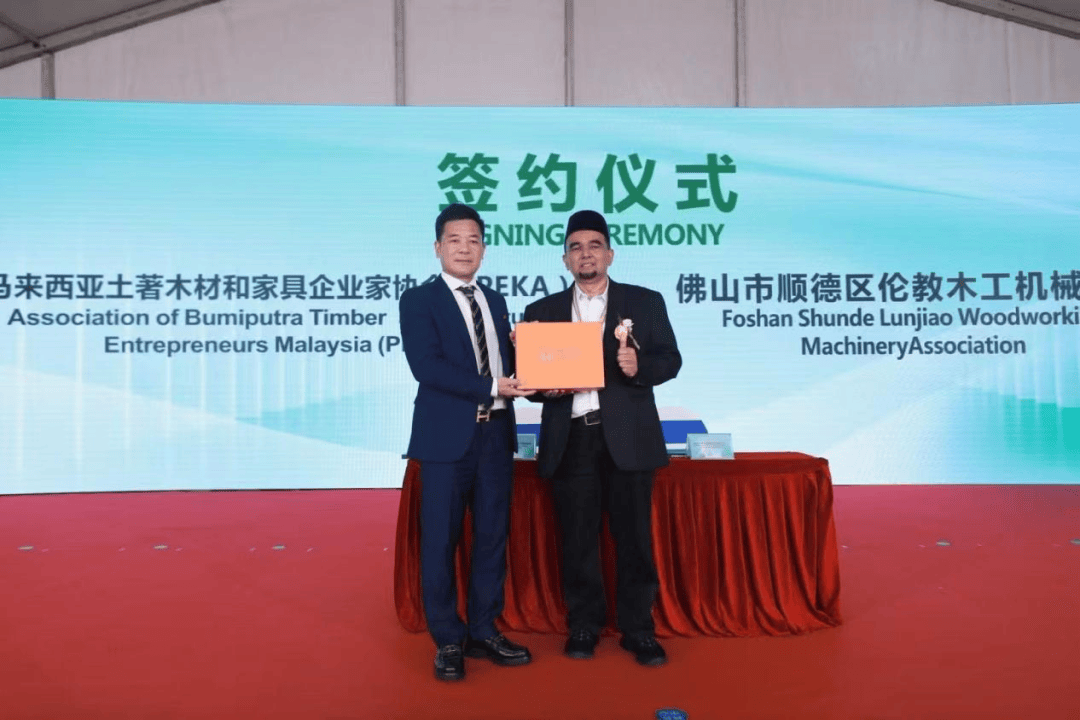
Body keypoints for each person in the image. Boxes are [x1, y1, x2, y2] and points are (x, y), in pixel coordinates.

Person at [522, 209, 681, 667]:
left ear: (610, 254)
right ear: (565, 260)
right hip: (571, 438)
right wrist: (543, 388)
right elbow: (529, 380)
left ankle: (639, 629)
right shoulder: (541, 312)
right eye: (575, 247)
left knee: (634, 538)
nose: (585, 254)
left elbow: (670, 359)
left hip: (628, 437)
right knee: (577, 539)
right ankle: (584, 624)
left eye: (594, 245)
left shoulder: (645, 302)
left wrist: (640, 367)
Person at [399, 203, 533, 682]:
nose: (464, 248)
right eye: (454, 240)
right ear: (438, 247)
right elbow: (427, 367)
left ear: (484, 249)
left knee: (492, 538)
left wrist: (535, 361)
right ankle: (448, 640)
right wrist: (494, 385)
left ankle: (483, 629)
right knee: (440, 541)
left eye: (473, 240)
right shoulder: (419, 300)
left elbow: (506, 365)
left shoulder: (495, 300)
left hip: (495, 435)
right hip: (445, 441)